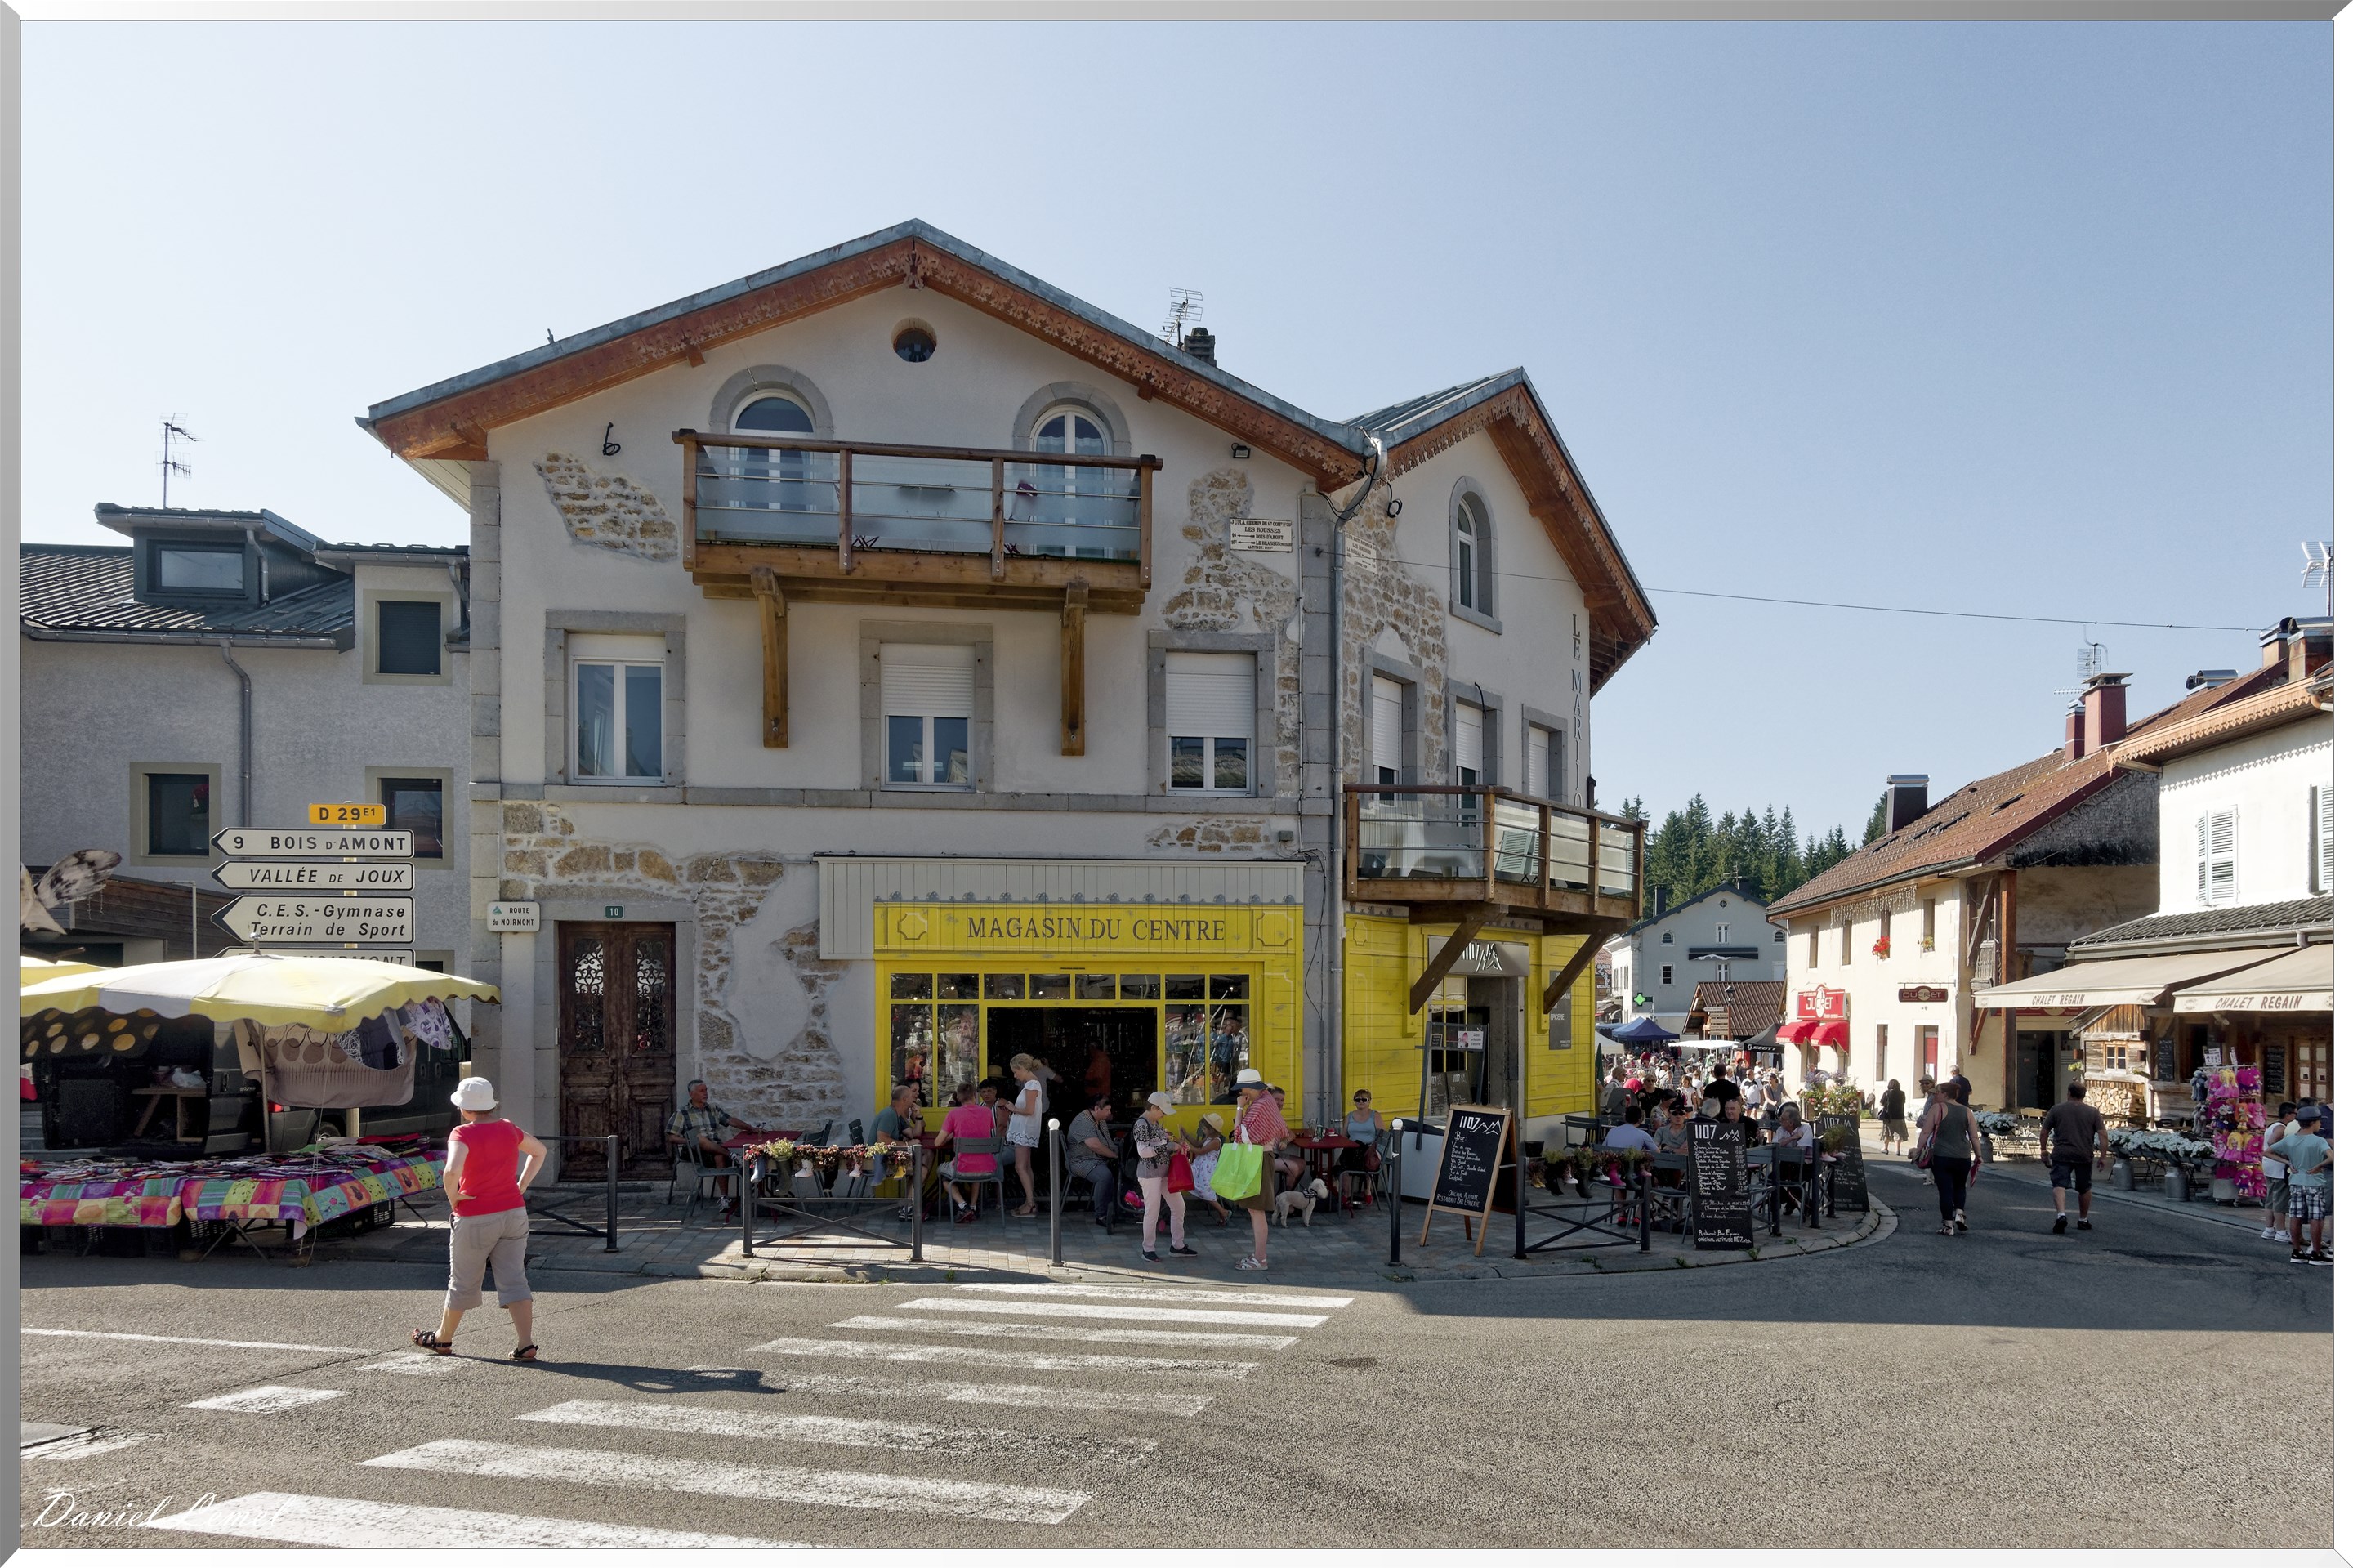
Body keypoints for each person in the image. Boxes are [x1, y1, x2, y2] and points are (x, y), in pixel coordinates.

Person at [413, 1076, 546, 1361]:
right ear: (490, 1105)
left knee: (462, 1281)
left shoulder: (462, 1133)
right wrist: (521, 1185)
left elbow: (451, 1171)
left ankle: (443, 1338)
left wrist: (454, 1196)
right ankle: (526, 1344)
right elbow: (540, 1151)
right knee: (514, 1278)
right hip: (513, 1212)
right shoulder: (508, 1128)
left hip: (475, 1216)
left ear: (463, 1108)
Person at [666, 1079, 755, 1222]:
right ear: (692, 1094)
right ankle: (732, 1155)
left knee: (719, 1156)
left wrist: (751, 1128)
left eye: (706, 1090)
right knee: (699, 1137)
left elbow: (731, 1120)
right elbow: (671, 1137)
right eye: (701, 1091)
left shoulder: (713, 1109)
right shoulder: (682, 1113)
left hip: (715, 1150)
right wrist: (689, 1140)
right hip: (694, 1150)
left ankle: (724, 1199)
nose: (705, 1093)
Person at [1232, 1068, 1288, 1270]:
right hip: (1261, 1157)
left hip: (1259, 1158)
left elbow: (1240, 1135)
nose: (1240, 1093)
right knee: (1254, 1209)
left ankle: (1261, 1258)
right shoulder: (1265, 1102)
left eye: (1242, 1089)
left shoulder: (1261, 1104)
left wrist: (1239, 1109)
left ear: (1251, 1087)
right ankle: (1258, 1255)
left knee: (1256, 1210)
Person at [2038, 1079, 2109, 1234]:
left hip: (2062, 1153)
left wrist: (2043, 1150)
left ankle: (2061, 1215)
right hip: (2084, 1154)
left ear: (2069, 1093)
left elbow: (2044, 1131)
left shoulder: (2057, 1110)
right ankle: (2083, 1219)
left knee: (2059, 1184)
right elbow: (2103, 1134)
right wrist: (2103, 1156)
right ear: (2083, 1095)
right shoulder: (2093, 1112)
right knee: (2084, 1188)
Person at [1132, 1091, 1195, 1262]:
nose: (1164, 1115)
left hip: (1162, 1172)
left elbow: (1157, 1144)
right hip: (1150, 1173)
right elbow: (1143, 1152)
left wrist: (1174, 1144)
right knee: (1152, 1211)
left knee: (1179, 1207)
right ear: (1153, 1108)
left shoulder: (1153, 1122)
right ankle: (1148, 1249)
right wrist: (1169, 1146)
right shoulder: (1142, 1124)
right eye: (1162, 1111)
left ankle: (1178, 1246)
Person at [1915, 1081, 1979, 1237]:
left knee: (1945, 1190)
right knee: (1959, 1186)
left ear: (1944, 1094)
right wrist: (1979, 1156)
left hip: (1942, 1155)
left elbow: (1925, 1132)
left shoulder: (1937, 1109)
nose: (1935, 1095)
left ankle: (1948, 1226)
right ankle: (1959, 1213)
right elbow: (1974, 1136)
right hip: (1963, 1156)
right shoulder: (1966, 1111)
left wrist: (1918, 1150)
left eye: (1937, 1092)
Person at [2277, 1106, 2333, 1265]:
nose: (2320, 1124)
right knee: (2317, 1217)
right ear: (2313, 1123)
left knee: (2296, 1216)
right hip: (2315, 1182)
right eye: (2319, 1121)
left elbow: (2268, 1151)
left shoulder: (2291, 1139)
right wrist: (2318, 1166)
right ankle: (2316, 1253)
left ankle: (2297, 1251)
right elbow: (2331, 1157)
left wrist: (2288, 1161)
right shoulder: (2319, 1141)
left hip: (2296, 1181)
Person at [936, 1083, 998, 1223]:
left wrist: (951, 1135)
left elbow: (937, 1143)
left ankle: (962, 1205)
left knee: (941, 1173)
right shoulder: (987, 1112)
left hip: (962, 1168)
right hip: (987, 1167)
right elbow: (988, 1129)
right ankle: (973, 1206)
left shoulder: (953, 1113)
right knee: (976, 1164)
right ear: (975, 1096)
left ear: (958, 1097)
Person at [1064, 1092, 1125, 1229]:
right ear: (1097, 1109)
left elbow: (1107, 1142)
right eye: (1107, 1110)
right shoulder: (1083, 1121)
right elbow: (1094, 1145)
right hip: (1080, 1161)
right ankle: (1101, 1215)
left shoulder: (1100, 1120)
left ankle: (1121, 1209)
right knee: (1104, 1176)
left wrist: (1118, 1151)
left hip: (1096, 1159)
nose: (1110, 1113)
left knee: (1122, 1171)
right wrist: (1114, 1155)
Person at [1004, 1054, 1053, 1217]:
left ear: (1021, 1068)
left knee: (1020, 1166)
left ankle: (1030, 1202)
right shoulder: (1032, 1084)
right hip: (1025, 1130)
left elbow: (1029, 1110)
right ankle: (1029, 1201)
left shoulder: (1031, 1084)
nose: (1015, 1075)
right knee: (1026, 1166)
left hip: (1024, 1131)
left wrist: (1013, 1108)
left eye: (1015, 1071)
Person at [2263, 1101, 2297, 1244]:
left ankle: (2269, 1229)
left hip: (2269, 1166)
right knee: (2280, 1201)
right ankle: (2281, 1231)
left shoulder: (2273, 1125)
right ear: (2288, 1115)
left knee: (2271, 1199)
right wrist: (2284, 1157)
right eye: (2295, 1114)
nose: (2296, 1116)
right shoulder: (2281, 1128)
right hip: (2278, 1168)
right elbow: (2272, 1143)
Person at [1190, 1114, 1232, 1226]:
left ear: (1211, 1129)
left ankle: (1224, 1212)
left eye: (1204, 1129)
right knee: (1191, 1180)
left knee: (1205, 1191)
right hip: (1201, 1167)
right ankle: (1222, 1214)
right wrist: (1185, 1135)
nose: (1203, 1130)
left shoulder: (1216, 1141)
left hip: (1208, 1169)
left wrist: (1186, 1146)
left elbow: (1201, 1151)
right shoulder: (1209, 1138)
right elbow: (1197, 1144)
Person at [1878, 1079, 1908, 1154]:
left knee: (1887, 1132)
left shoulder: (1887, 1093)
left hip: (1888, 1117)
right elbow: (1903, 1102)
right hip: (1900, 1116)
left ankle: (1885, 1148)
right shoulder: (1902, 1093)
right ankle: (1897, 1150)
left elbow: (1881, 1103)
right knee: (1898, 1133)